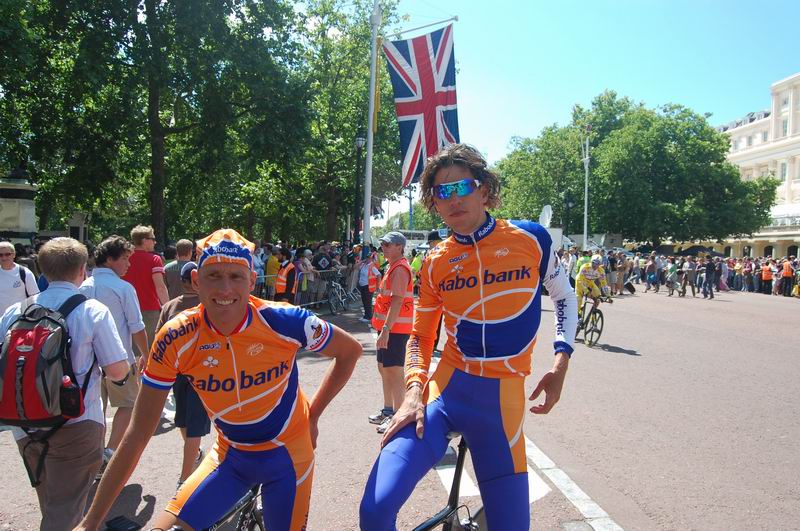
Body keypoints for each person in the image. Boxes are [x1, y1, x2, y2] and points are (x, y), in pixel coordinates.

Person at [78, 229, 362, 531]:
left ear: (252, 282)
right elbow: (137, 433)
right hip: (231, 458)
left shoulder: (286, 321)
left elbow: (351, 351)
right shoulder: (176, 336)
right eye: (214, 276)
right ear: (197, 281)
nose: (225, 289)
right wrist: (89, 523)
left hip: (289, 459)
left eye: (236, 277)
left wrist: (313, 417)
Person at [359, 144, 577, 531]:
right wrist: (412, 392)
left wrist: (560, 363)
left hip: (502, 407)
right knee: (374, 512)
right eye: (442, 192)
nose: (452, 199)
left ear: (484, 190)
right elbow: (421, 334)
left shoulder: (532, 239)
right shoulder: (435, 261)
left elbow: (564, 296)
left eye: (462, 187)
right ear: (434, 203)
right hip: (443, 397)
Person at [3, 237, 130, 530]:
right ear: (82, 269)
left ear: (41, 269)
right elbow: (115, 370)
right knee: (66, 509)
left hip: (23, 421)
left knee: (50, 500)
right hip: (77, 421)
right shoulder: (92, 311)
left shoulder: (15, 312)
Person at [79, 236, 149, 475]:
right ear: (110, 259)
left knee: (95, 408)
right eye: (125, 259)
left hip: (87, 361)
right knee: (129, 405)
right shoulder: (123, 288)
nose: (128, 264)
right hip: (119, 359)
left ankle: (94, 454)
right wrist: (146, 355)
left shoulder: (83, 287)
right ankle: (109, 452)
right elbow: (136, 326)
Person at [155, 261, 210, 489]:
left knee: (184, 421)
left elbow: (158, 339)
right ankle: (188, 474)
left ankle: (189, 470)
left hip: (178, 373)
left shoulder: (169, 307)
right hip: (202, 374)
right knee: (191, 425)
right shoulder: (208, 306)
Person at [368, 231, 415, 434]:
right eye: (383, 244)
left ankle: (398, 415)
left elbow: (396, 301)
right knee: (384, 368)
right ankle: (389, 410)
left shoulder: (400, 269)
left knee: (394, 371)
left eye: (388, 245)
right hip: (389, 328)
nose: (384, 248)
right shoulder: (393, 267)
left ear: (399, 247)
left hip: (394, 329)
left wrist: (386, 329)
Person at [122, 225, 169, 342]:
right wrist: (168, 308)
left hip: (125, 310)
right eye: (152, 239)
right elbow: (160, 287)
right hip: (149, 310)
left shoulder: (124, 259)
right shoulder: (154, 259)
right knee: (150, 350)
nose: (155, 241)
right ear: (144, 241)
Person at [0, 240, 40, 314]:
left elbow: (34, 297)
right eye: (0, 255)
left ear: (14, 255)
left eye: (7, 254)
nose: (4, 258)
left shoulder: (24, 273)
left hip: (19, 320)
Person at [356, 245, 381, 323]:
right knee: (364, 301)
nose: (367, 259)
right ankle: (366, 316)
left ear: (372, 259)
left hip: (368, 286)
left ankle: (368, 317)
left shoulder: (372, 266)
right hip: (362, 286)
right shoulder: (363, 265)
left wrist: (378, 286)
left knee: (368, 301)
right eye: (367, 258)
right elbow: (355, 267)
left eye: (369, 258)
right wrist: (362, 261)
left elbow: (379, 275)